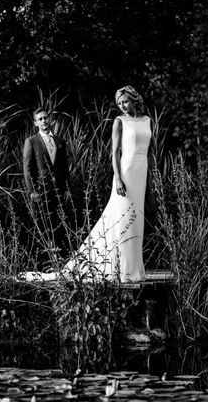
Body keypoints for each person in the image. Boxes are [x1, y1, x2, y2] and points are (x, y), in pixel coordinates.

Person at [66, 85, 152, 282]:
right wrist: (119, 178)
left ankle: (134, 269)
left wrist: (153, 173)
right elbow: (114, 153)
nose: (122, 105)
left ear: (134, 100)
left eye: (125, 101)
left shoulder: (148, 120)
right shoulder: (119, 122)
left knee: (136, 218)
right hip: (126, 172)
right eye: (119, 103)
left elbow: (150, 150)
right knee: (122, 217)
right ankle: (120, 269)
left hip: (142, 172)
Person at [22, 107, 71, 262]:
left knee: (58, 225)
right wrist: (32, 191)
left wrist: (67, 189)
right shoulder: (31, 141)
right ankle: (39, 263)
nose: (44, 121)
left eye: (46, 118)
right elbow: (27, 167)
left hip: (58, 191)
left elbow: (64, 168)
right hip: (40, 192)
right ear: (36, 123)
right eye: (40, 119)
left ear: (50, 119)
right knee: (41, 225)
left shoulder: (60, 142)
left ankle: (59, 261)